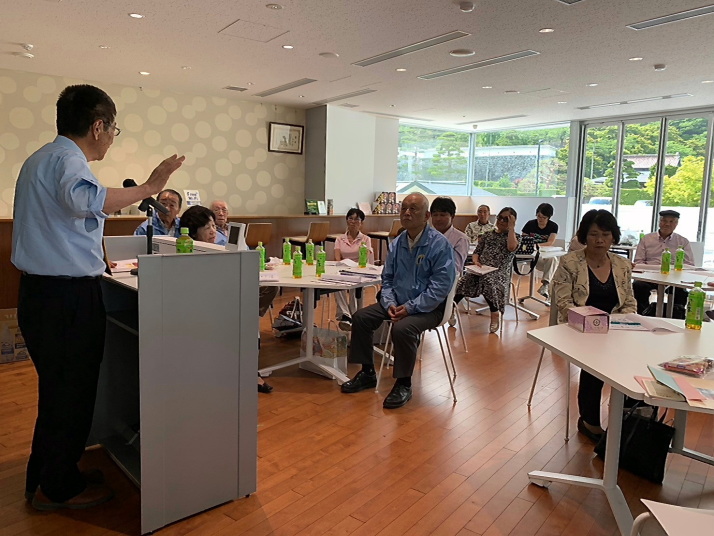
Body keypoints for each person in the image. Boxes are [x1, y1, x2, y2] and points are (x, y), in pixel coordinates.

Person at [11, 84, 184, 510]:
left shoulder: (42, 159)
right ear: (98, 126)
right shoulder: (67, 160)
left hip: (44, 294)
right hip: (65, 297)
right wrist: (150, 185)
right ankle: (58, 488)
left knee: (58, 393)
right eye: (113, 130)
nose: (111, 139)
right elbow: (86, 200)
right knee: (70, 394)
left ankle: (49, 474)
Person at [340, 193, 456, 409]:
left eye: (413, 209)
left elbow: (440, 287)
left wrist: (410, 307)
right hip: (397, 303)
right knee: (361, 318)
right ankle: (367, 372)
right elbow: (388, 279)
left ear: (426, 216)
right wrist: (390, 303)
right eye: (404, 208)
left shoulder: (440, 245)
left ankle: (404, 383)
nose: (407, 213)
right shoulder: (397, 243)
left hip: (430, 308)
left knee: (402, 329)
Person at [552, 210, 637, 442]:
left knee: (636, 358)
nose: (600, 240)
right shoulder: (569, 262)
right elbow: (564, 303)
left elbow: (629, 302)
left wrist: (622, 322)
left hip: (616, 329)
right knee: (596, 361)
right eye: (594, 234)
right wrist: (592, 323)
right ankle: (589, 421)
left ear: (613, 237)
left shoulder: (622, 265)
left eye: (605, 235)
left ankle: (630, 417)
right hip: (578, 328)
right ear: (584, 236)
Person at [455, 207, 519, 333]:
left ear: (512, 221)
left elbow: (511, 247)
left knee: (488, 280)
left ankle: (494, 313)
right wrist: (476, 261)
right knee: (465, 279)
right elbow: (477, 252)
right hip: (482, 269)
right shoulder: (488, 235)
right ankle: (451, 308)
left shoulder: (515, 237)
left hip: (499, 272)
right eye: (500, 218)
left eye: (506, 219)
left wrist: (511, 228)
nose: (501, 221)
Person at [633, 210, 694, 315]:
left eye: (671, 222)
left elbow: (689, 264)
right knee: (638, 286)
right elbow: (638, 261)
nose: (667, 224)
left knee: (681, 292)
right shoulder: (647, 239)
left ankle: (675, 316)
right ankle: (643, 315)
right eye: (664, 221)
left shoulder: (682, 241)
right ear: (659, 222)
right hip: (649, 275)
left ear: (676, 224)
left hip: (673, 276)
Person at [333, 208, 374, 330]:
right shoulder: (340, 239)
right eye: (350, 218)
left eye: (357, 219)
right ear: (346, 220)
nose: (353, 222)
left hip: (359, 270)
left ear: (361, 223)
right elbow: (337, 258)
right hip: (344, 269)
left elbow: (365, 257)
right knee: (336, 284)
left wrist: (355, 267)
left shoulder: (366, 239)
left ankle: (351, 316)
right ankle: (346, 315)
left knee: (353, 284)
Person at [521, 202, 559, 299]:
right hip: (531, 256)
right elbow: (523, 240)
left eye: (543, 217)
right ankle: (546, 287)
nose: (540, 219)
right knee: (553, 264)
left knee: (553, 259)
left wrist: (536, 245)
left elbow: (550, 242)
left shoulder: (553, 226)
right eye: (538, 216)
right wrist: (532, 246)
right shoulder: (530, 224)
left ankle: (545, 285)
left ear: (549, 217)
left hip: (543, 255)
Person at [430, 197, 468, 270]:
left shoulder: (460, 239)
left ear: (452, 216)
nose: (438, 219)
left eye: (442, 215)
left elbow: (455, 268)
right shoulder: (426, 236)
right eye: (435, 215)